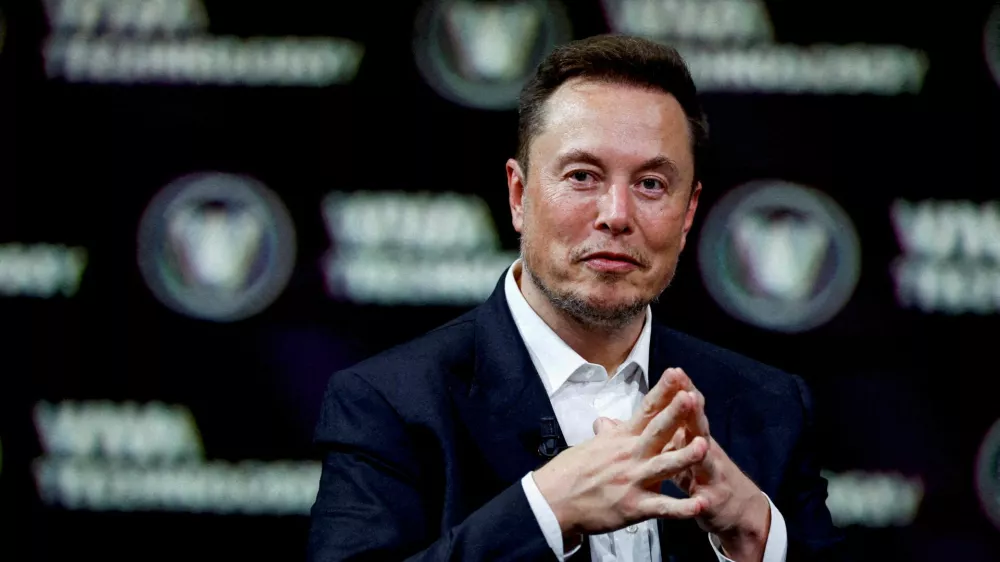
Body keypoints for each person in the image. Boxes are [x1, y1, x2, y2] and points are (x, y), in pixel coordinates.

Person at [308, 34, 845, 562]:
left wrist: (754, 532)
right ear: (519, 195)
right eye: (583, 176)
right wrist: (545, 512)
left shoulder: (770, 406)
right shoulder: (387, 404)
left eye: (651, 184)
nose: (617, 214)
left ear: (688, 214)